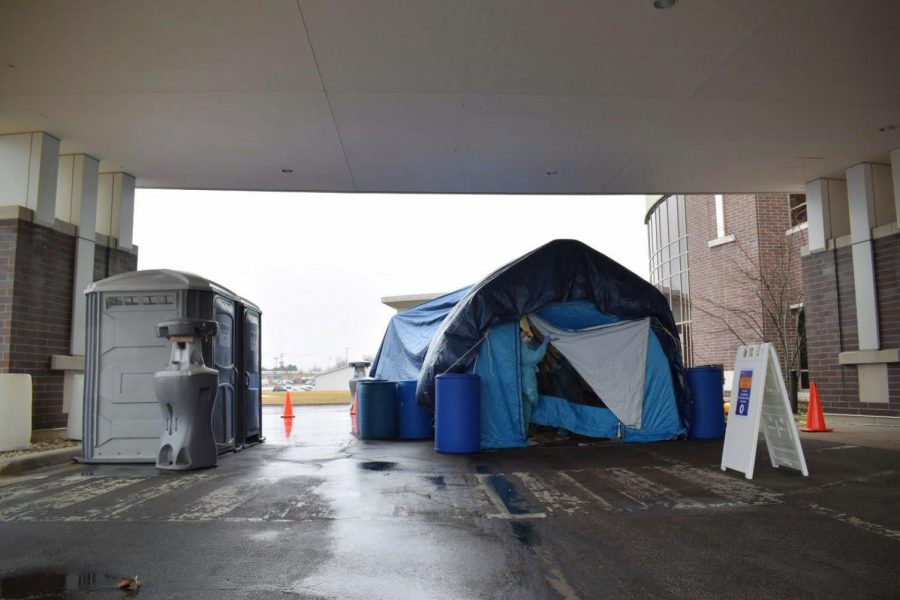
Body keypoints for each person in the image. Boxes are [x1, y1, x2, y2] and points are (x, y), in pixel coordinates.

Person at [519, 318, 551, 433]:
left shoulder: (520, 345)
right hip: (526, 382)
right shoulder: (522, 347)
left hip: (522, 381)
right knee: (526, 407)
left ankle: (524, 431)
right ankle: (524, 432)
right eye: (525, 334)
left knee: (525, 406)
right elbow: (532, 358)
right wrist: (544, 345)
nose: (528, 336)